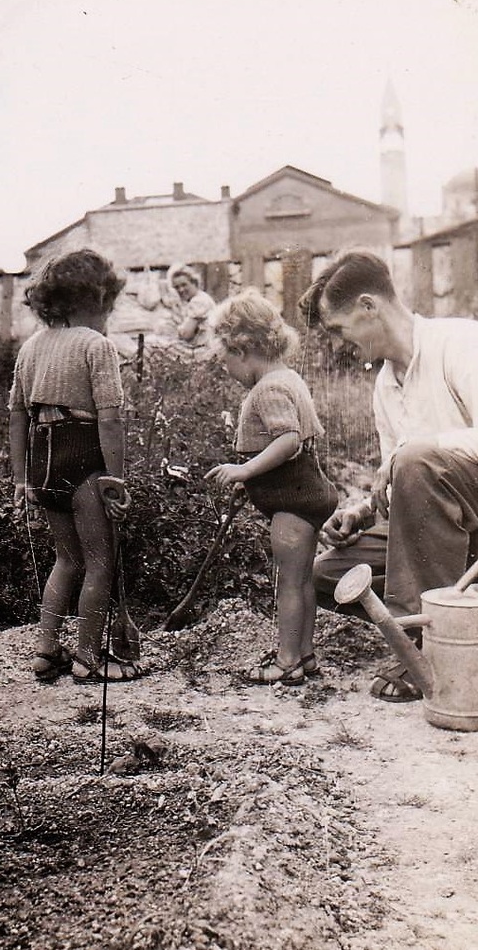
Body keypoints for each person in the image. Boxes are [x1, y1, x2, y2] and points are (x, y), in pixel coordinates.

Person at [299, 248, 478, 703]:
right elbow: (402, 486)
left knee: (415, 458)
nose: (337, 346)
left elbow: (412, 463)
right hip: (442, 532)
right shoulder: (385, 384)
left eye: (338, 330)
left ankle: (423, 647)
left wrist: (407, 453)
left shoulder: (459, 343)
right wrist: (362, 512)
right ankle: (457, 607)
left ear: (368, 306)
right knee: (333, 576)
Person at [9, 248, 144, 683]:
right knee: (100, 562)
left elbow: (17, 416)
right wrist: (115, 479)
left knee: (65, 560)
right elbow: (110, 419)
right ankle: (88, 657)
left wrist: (21, 478)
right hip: (83, 455)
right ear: (97, 299)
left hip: (43, 459)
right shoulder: (96, 346)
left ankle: (46, 650)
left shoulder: (30, 348)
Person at [205, 289, 338, 685]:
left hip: (293, 502)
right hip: (304, 494)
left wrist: (245, 469)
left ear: (242, 349)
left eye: (225, 360)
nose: (227, 370)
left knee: (288, 584)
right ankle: (305, 655)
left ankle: (287, 661)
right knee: (302, 580)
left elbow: (288, 440)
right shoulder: (287, 377)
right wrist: (253, 478)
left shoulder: (268, 389)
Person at [170, 265, 216, 352]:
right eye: (177, 287)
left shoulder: (199, 301)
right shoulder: (200, 297)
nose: (181, 290)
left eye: (184, 285)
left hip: (204, 349)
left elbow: (187, 335)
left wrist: (178, 331)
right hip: (203, 346)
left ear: (194, 283)